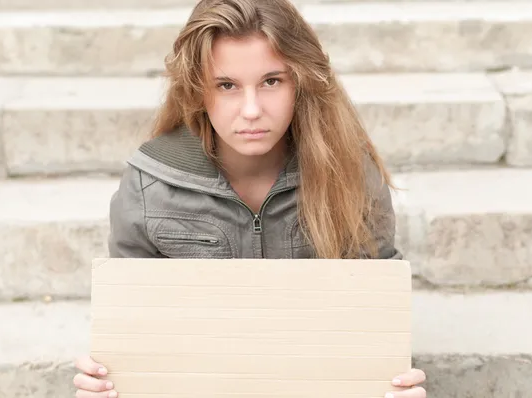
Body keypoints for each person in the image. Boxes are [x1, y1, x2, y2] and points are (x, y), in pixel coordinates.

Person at [73, 0, 427, 396]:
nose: (252, 110)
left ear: (302, 81)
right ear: (197, 91)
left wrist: (395, 383)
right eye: (226, 86)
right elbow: (132, 330)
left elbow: (377, 319)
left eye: (272, 81)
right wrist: (105, 380)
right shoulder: (148, 184)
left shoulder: (351, 175)